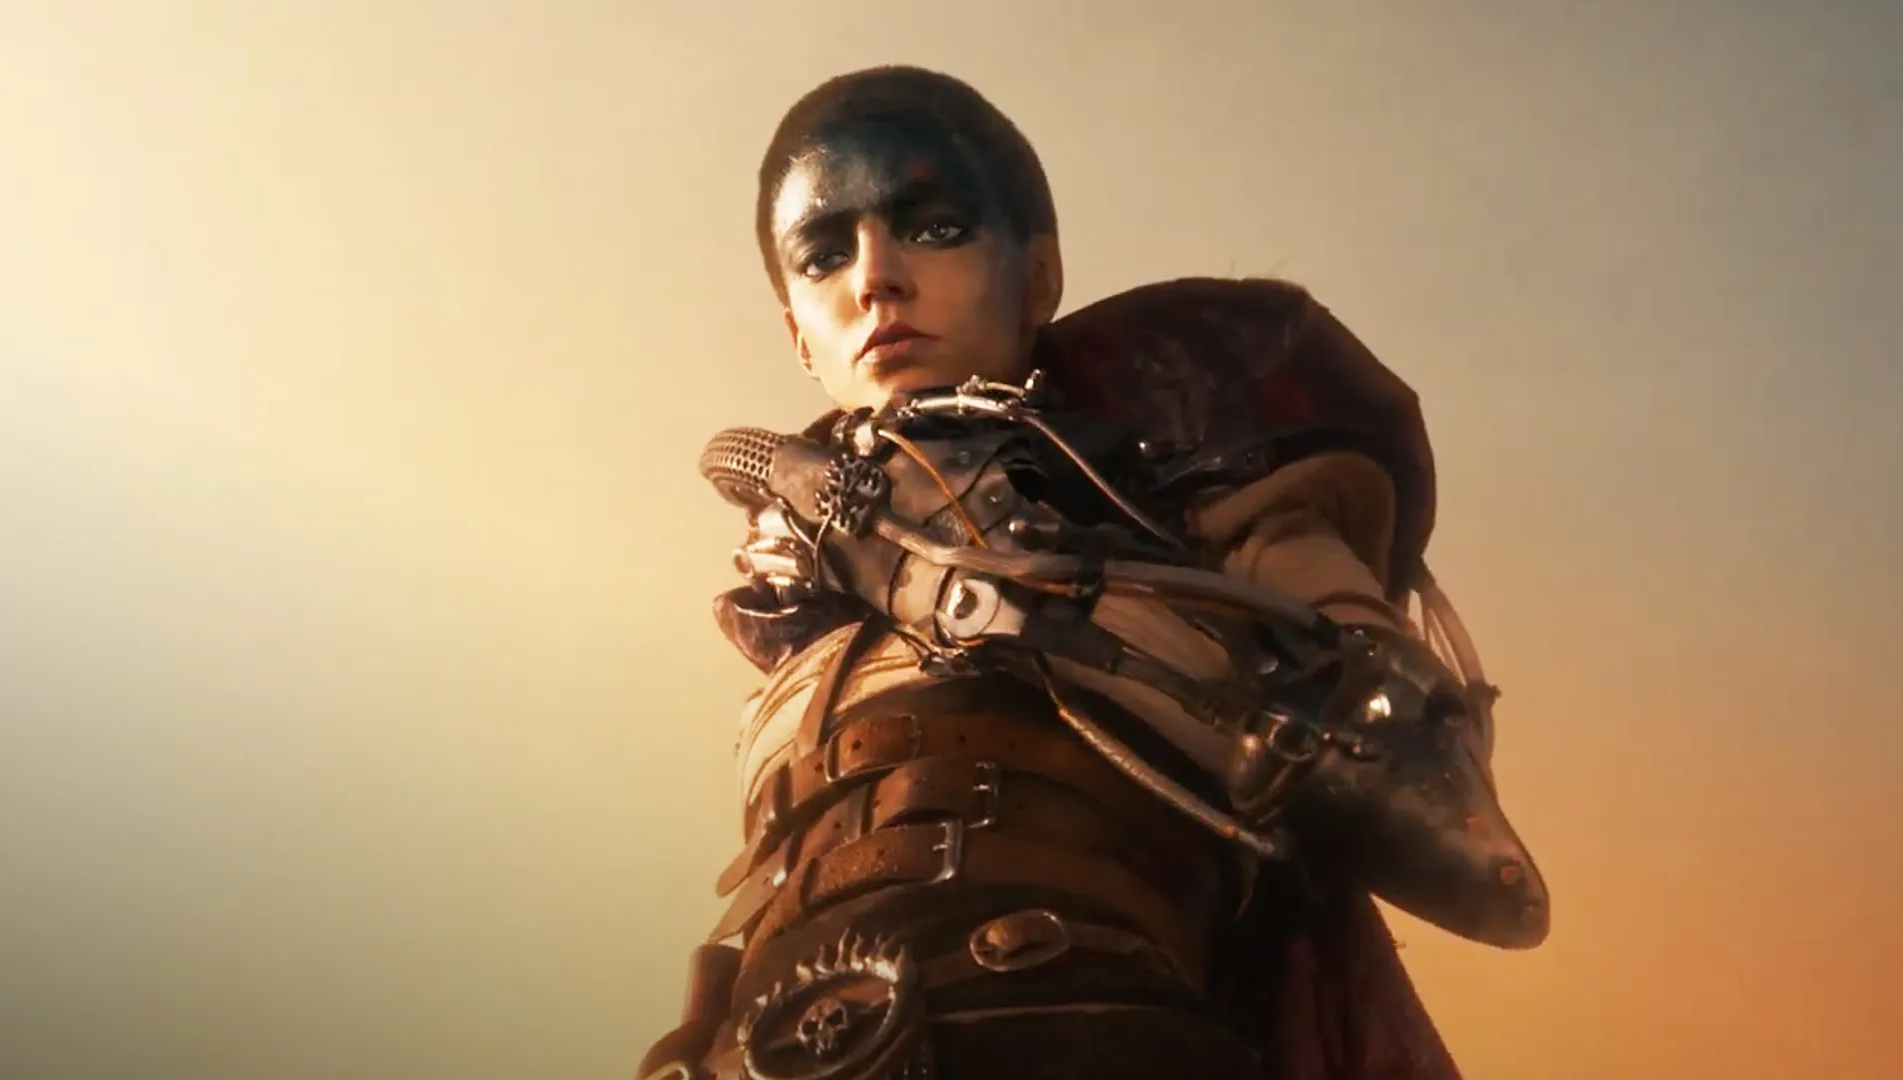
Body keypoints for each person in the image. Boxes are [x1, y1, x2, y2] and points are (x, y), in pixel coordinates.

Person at [637, 65, 1549, 1080]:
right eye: (824, 255)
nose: (876, 278)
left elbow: (1402, 748)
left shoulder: (1185, 494)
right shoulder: (798, 604)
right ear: (797, 336)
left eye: (935, 227)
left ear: (1038, 276)